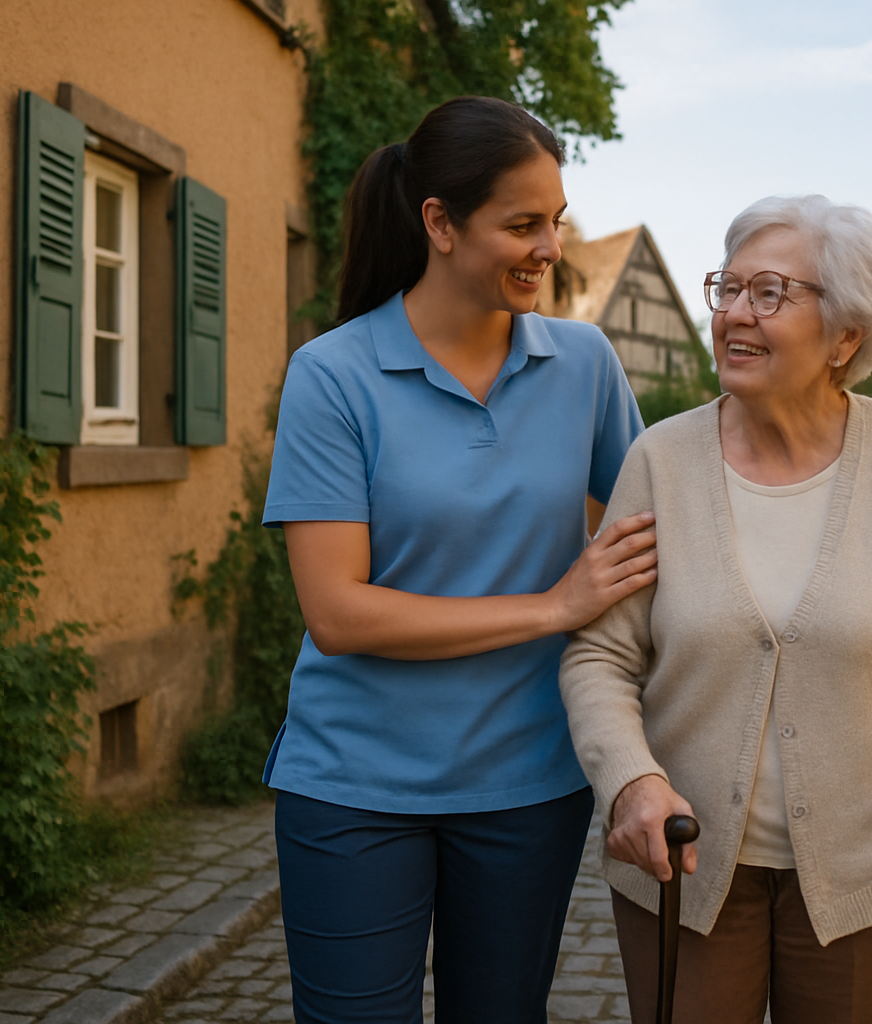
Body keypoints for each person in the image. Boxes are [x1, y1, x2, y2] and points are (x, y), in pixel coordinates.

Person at [559, 195, 872, 1024]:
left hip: (871, 872)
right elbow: (601, 655)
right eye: (728, 288)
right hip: (684, 867)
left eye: (770, 293)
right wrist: (630, 782)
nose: (737, 314)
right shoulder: (660, 461)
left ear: (846, 336)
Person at [261, 96, 655, 1024]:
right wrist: (554, 607)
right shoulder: (333, 375)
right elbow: (339, 612)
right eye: (521, 224)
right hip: (353, 787)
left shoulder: (586, 364)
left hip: (529, 785)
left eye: (554, 220)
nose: (550, 247)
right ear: (438, 222)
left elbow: (658, 532)